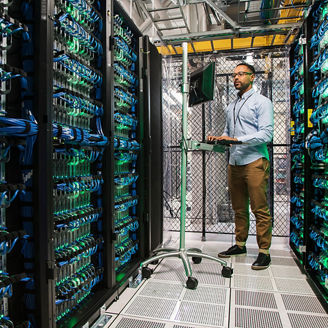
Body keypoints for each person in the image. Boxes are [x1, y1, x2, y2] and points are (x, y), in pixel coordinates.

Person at [208, 62, 274, 270]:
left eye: (241, 74)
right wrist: (220, 138)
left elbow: (266, 134)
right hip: (234, 162)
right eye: (235, 75)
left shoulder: (262, 102)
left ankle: (264, 251)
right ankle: (240, 244)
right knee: (239, 208)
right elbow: (229, 132)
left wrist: (238, 140)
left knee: (259, 208)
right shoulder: (231, 106)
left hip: (254, 160)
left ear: (252, 77)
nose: (236, 78)